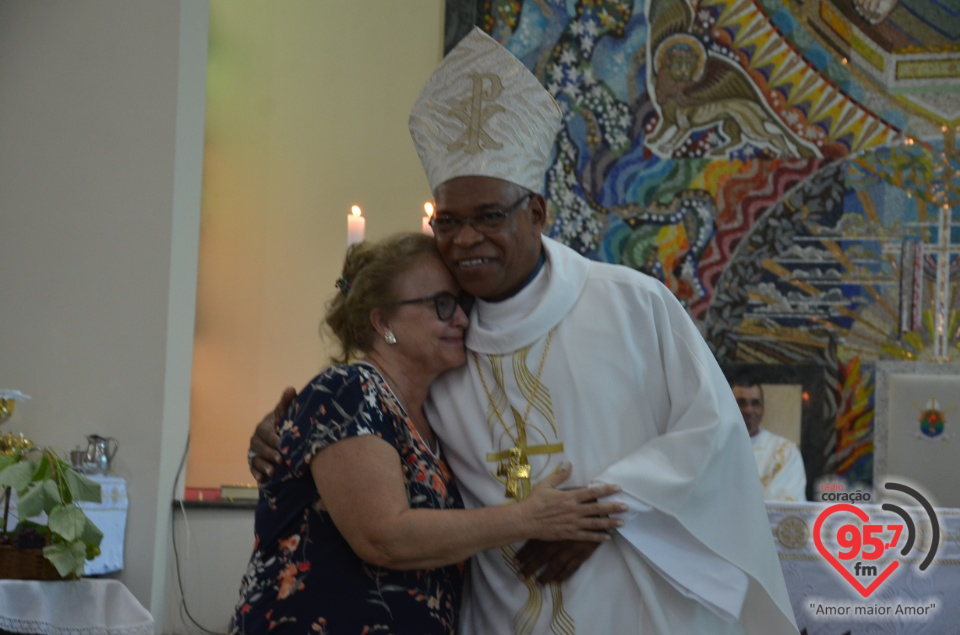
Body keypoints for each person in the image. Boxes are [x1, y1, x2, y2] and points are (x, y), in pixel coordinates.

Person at [251, 28, 798, 634]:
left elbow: (712, 433)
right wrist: (283, 431)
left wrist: (603, 511)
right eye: (448, 221)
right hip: (497, 609)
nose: (464, 239)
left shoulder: (631, 305)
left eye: (488, 216)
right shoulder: (447, 345)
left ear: (537, 212)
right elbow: (373, 425)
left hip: (625, 598)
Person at [230, 232, 626, 635]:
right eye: (441, 305)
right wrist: (527, 519)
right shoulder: (350, 389)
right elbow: (382, 536)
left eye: (461, 303)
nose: (462, 319)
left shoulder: (438, 414)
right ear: (383, 322)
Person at [730, 378, 807, 502]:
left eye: (755, 403)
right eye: (741, 403)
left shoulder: (786, 451)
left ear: (763, 408)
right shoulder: (713, 447)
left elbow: (791, 502)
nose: (748, 410)